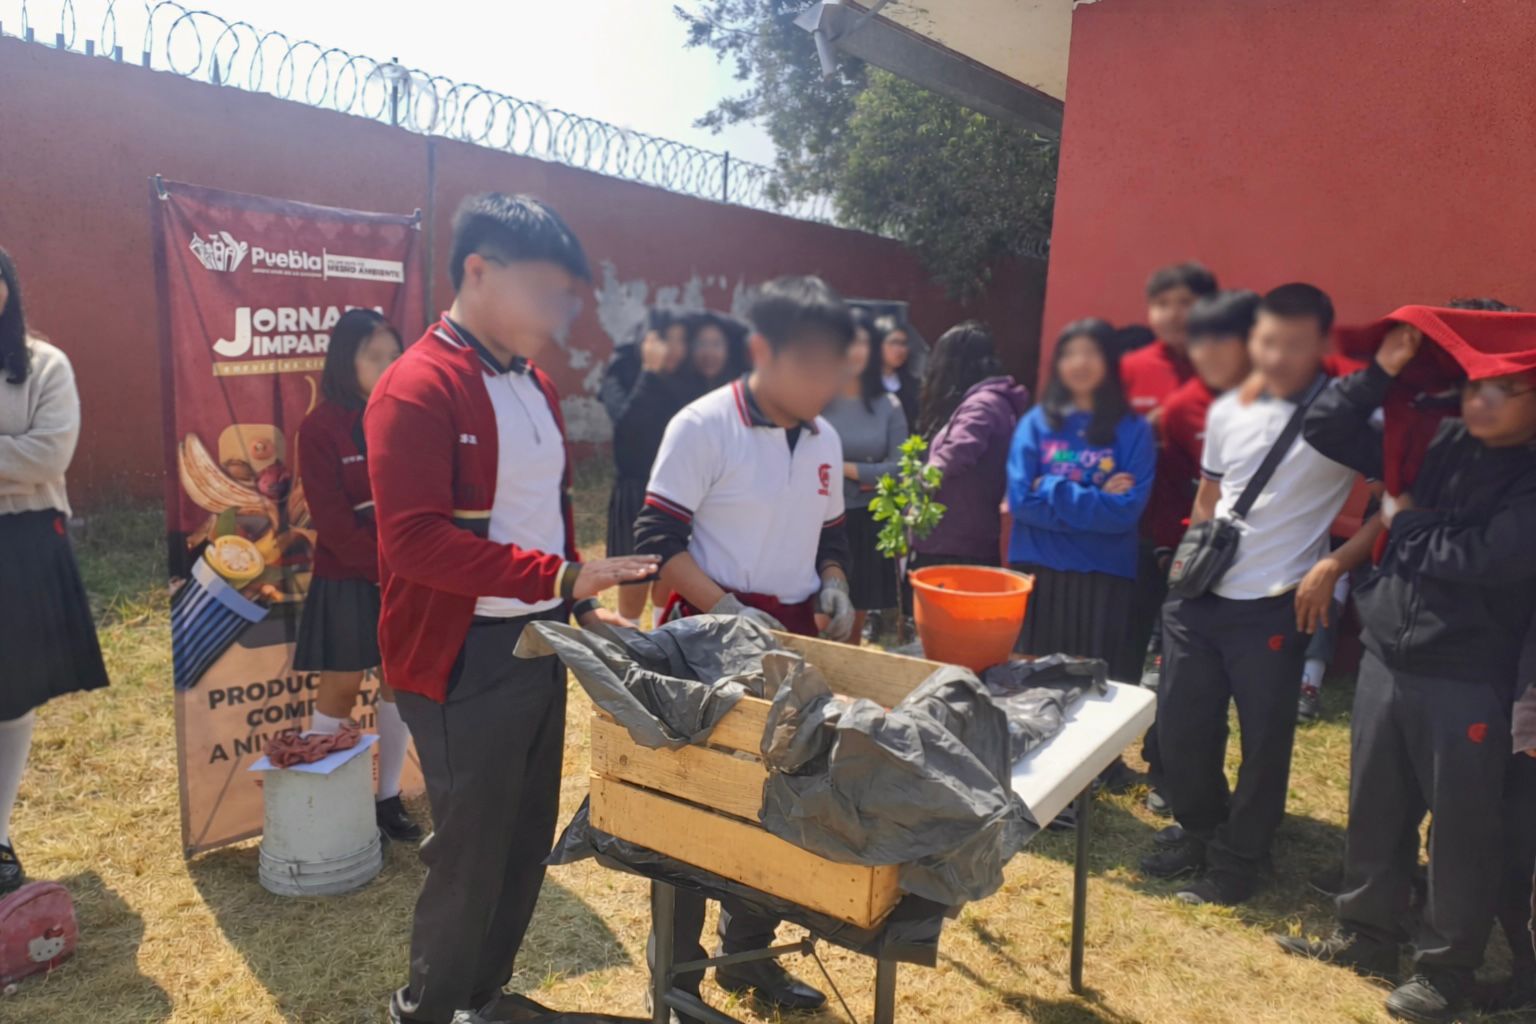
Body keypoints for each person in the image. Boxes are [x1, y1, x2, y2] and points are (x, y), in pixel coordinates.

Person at [367, 193, 659, 1024]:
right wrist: (565, 578)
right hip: (461, 656)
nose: (557, 315)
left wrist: (578, 609)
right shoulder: (415, 387)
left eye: (564, 297)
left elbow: (546, 515)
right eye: (542, 292)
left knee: (523, 839)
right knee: (468, 851)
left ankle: (479, 1000)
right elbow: (414, 544)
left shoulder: (533, 383)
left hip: (538, 642)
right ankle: (425, 1010)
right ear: (477, 271)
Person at [1277, 312, 1536, 1023]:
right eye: (1474, 387)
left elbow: (1487, 560)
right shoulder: (1439, 436)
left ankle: (1446, 970)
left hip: (1469, 672)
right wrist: (1383, 370)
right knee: (1376, 804)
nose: (1480, 402)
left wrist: (1409, 521)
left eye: (1504, 390)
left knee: (1461, 829)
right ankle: (1364, 934)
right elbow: (1326, 427)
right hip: (1389, 653)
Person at [634, 275, 856, 1016]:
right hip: (703, 634)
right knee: (695, 814)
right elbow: (658, 543)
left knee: (777, 804)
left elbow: (831, 531)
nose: (829, 382)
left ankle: (747, 959)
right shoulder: (701, 426)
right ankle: (678, 982)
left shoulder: (824, 437)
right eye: (814, 364)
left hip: (789, 636)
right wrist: (728, 611)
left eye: (837, 365)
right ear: (765, 352)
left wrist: (833, 582)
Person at [1143, 283, 1378, 907]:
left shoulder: (1347, 416)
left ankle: (1241, 859)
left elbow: (1396, 504)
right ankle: (1200, 827)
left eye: (1293, 345)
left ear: (1320, 345)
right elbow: (1208, 494)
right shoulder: (1230, 409)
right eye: (1267, 341)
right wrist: (1187, 566)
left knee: (1264, 740)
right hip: (1200, 598)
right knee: (1181, 727)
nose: (1276, 356)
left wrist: (1334, 563)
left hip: (1278, 603)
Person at [0, 246, 110, 895]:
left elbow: (49, 454)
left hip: (25, 541)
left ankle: (0, 837)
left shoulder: (44, 365)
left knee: (10, 700)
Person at [292, 309, 419, 842]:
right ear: (346, 362)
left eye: (395, 356)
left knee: (398, 683)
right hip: (349, 576)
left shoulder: (412, 416)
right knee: (341, 686)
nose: (387, 366)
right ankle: (317, 809)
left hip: (405, 575)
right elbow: (333, 523)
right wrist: (386, 567)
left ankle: (386, 798)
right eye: (374, 357)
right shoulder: (319, 427)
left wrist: (410, 567)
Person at [1008, 318, 1154, 680]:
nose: (1080, 363)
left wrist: (1051, 488)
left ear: (1111, 361)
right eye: (1070, 354)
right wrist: (1097, 498)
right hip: (1039, 571)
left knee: (1094, 687)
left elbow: (1126, 513)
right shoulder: (1036, 424)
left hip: (1104, 575)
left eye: (1091, 353)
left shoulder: (1135, 430)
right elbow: (1020, 501)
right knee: (1031, 684)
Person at [1124, 263, 1220, 809]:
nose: (1172, 314)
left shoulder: (1229, 376)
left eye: (1185, 303)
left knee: (1186, 671)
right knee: (1123, 651)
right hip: (1128, 540)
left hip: (1205, 547)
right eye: (1162, 303)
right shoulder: (1131, 371)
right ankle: (1104, 759)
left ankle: (1167, 764)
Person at [909, 322, 1030, 583]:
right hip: (968, 536)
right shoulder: (991, 400)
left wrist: (919, 481)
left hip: (955, 541)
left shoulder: (982, 405)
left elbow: (957, 452)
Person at [823, 309, 908, 643]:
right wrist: (868, 471)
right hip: (816, 519)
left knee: (850, 625)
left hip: (866, 518)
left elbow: (900, 471)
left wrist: (842, 467)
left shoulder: (888, 405)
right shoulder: (815, 398)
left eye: (863, 342)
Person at [600, 310, 688, 623]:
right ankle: (630, 640)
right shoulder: (620, 374)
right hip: (636, 488)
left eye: (681, 340)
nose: (675, 348)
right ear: (645, 342)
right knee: (636, 574)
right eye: (666, 339)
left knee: (672, 570)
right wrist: (649, 373)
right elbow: (627, 429)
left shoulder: (686, 380)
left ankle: (662, 633)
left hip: (679, 488)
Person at [677, 311, 748, 400]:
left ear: (728, 350)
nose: (709, 352)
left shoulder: (741, 394)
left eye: (716, 344)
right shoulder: (676, 392)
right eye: (701, 344)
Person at [874, 313, 920, 425]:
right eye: (894, 342)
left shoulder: (914, 384)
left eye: (903, 343)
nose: (900, 349)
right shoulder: (865, 383)